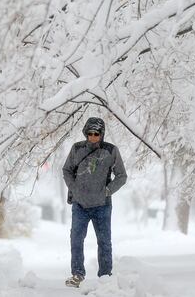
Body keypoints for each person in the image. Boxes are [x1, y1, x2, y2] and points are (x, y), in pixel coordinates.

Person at [62, 117, 127, 288]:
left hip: (102, 206)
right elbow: (67, 170)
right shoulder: (77, 148)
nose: (92, 136)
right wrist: (74, 188)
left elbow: (122, 176)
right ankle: (77, 274)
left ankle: (105, 276)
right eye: (89, 133)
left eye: (96, 133)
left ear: (102, 134)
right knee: (76, 239)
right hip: (80, 205)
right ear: (85, 133)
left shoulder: (111, 150)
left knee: (104, 241)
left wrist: (107, 191)